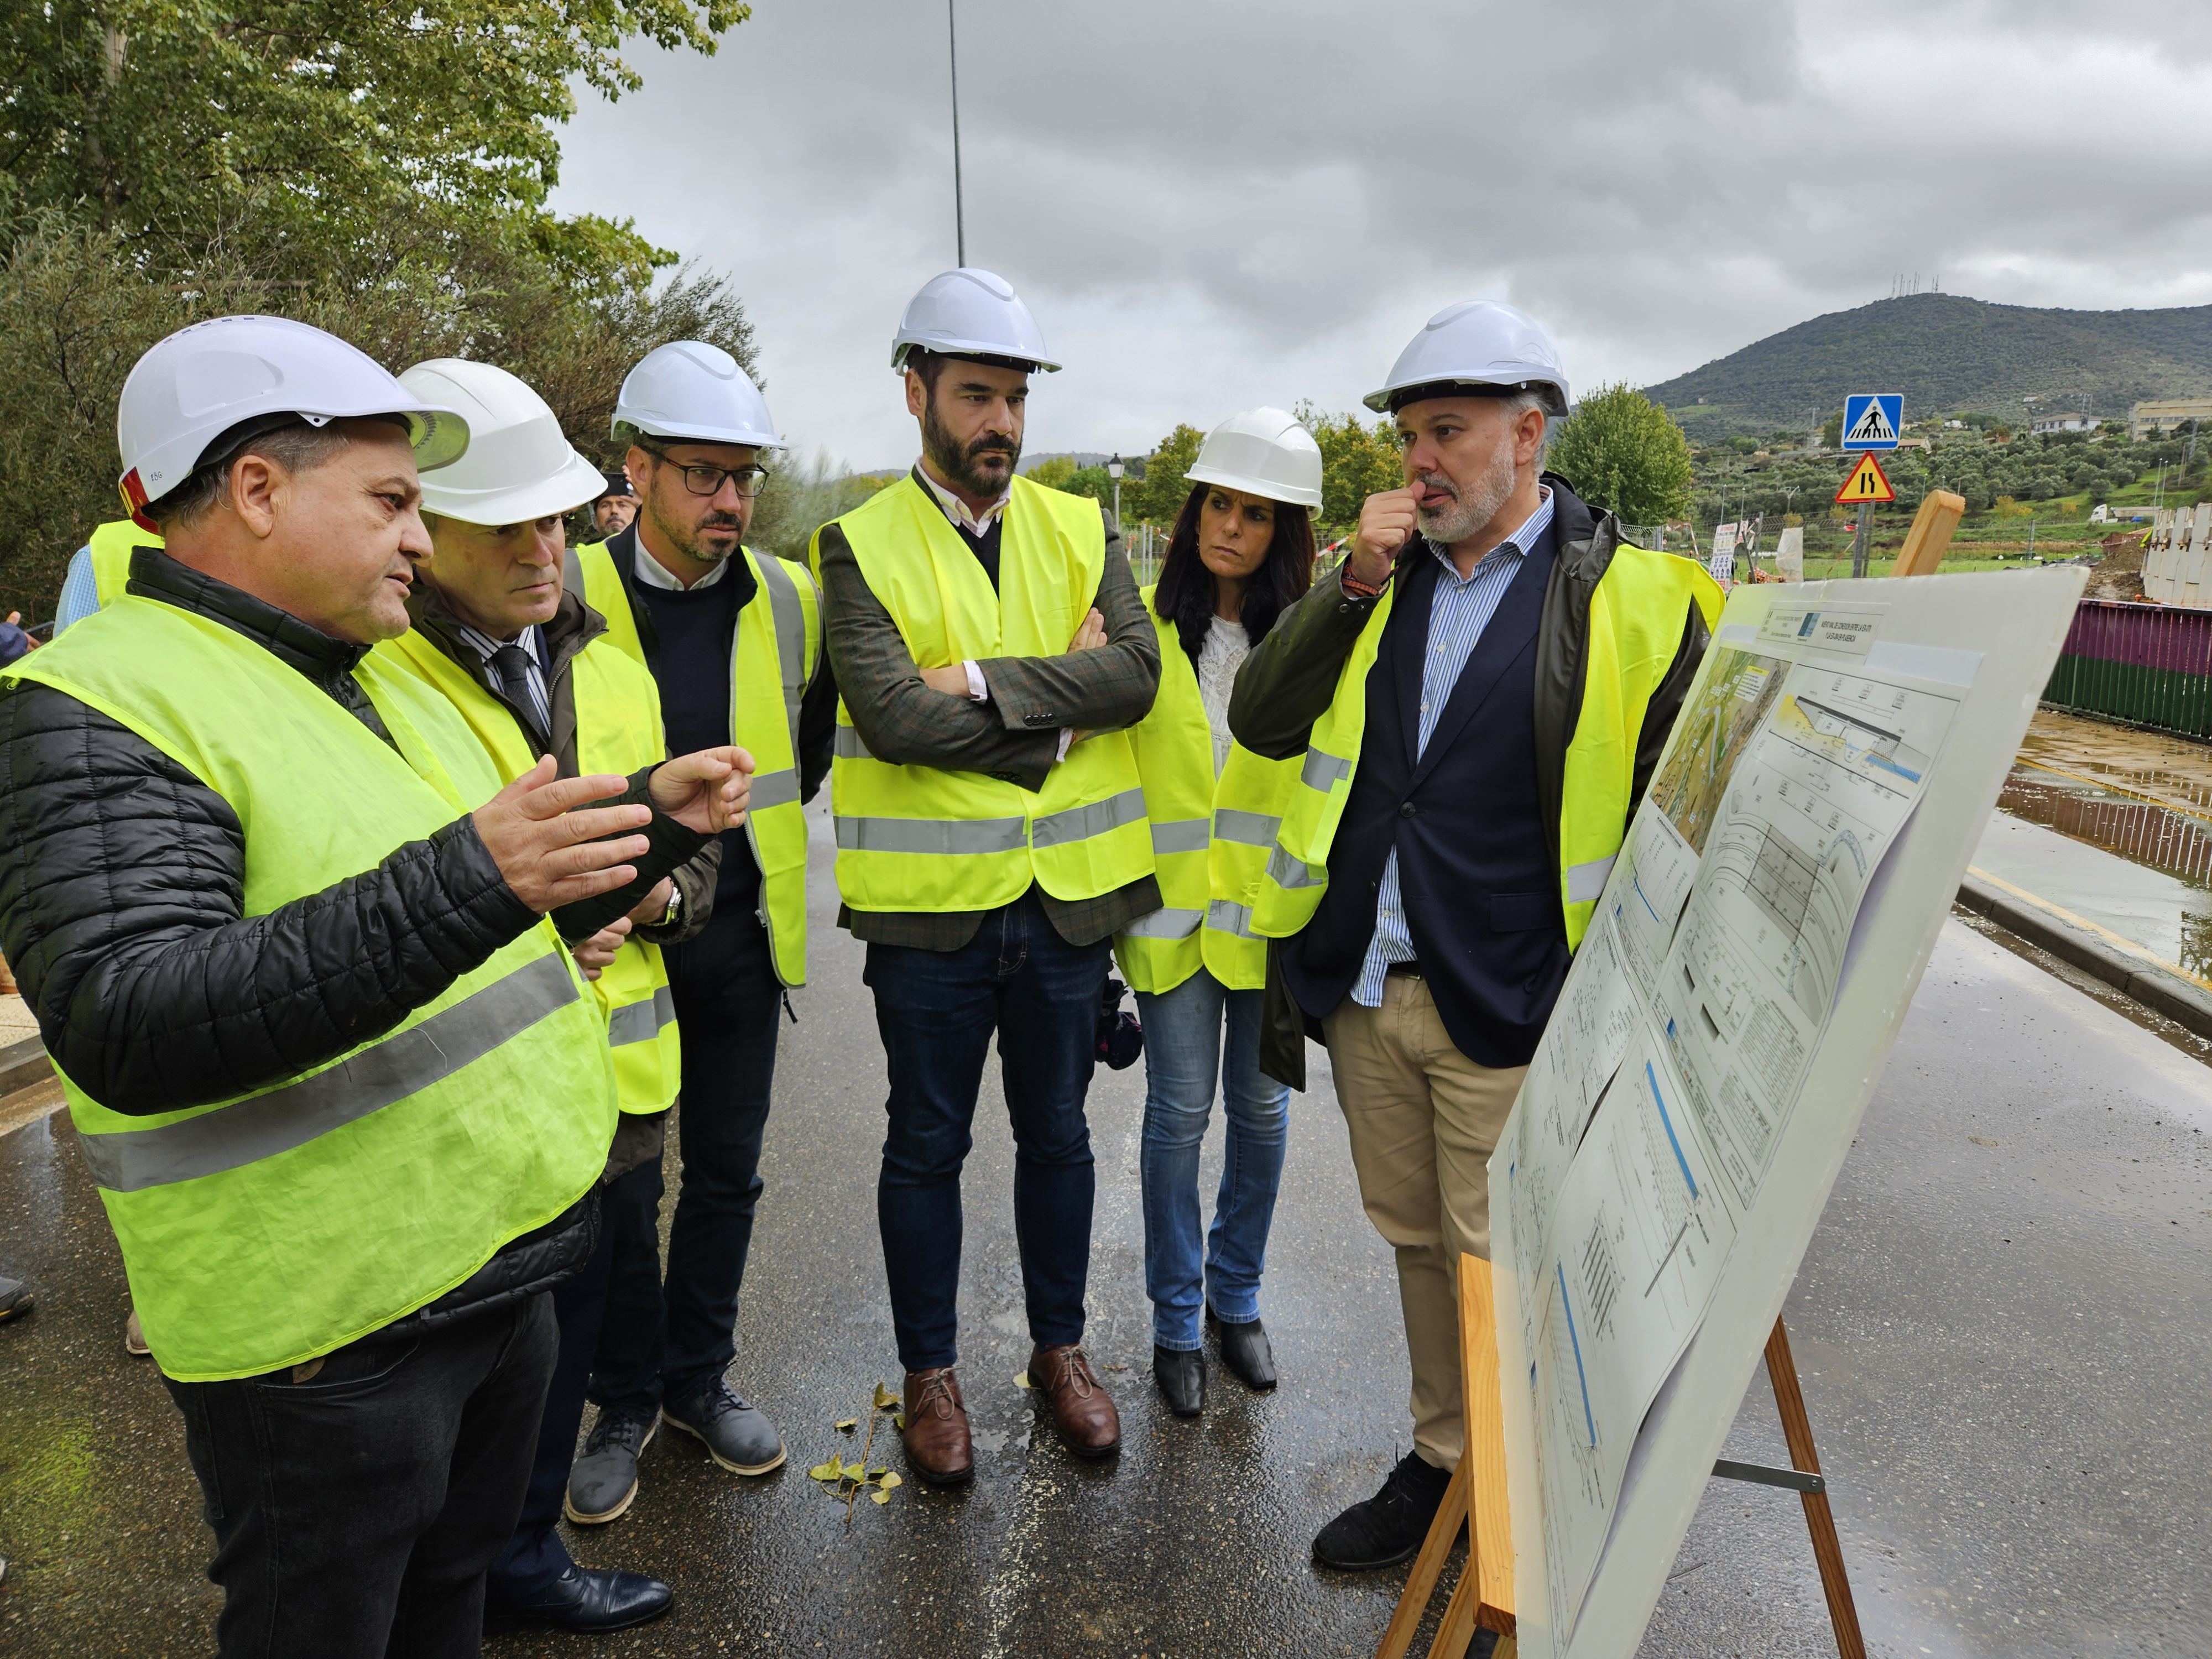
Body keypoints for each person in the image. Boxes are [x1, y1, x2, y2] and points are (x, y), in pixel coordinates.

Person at [0, 314, 750, 1658]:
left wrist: (659, 817)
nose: (421, 537)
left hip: (479, 1275)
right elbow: (129, 1013)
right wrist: (480, 872)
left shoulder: (354, 673)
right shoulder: (103, 699)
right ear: (256, 487)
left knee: (444, 1613)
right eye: (394, 502)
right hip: (328, 1334)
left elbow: (472, 898)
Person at [1229, 301, 1721, 1571]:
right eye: (1407, 439)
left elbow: (1686, 827)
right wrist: (1344, 581)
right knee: (1414, 1240)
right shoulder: (1374, 582)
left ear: (1526, 432)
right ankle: (1444, 1457)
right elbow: (1264, 719)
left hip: (1509, 1000)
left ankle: (1524, 1495)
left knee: (1505, 1258)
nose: (1419, 463)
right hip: (1363, 987)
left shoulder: (1632, 597)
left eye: (1445, 432)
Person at [377, 358, 716, 1635]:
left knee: (551, 1350)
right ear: (421, 529)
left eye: (558, 517)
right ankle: (464, 1575)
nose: (546, 546)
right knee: (459, 1373)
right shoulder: (379, 679)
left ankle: (519, 1557)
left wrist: (662, 897)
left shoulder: (600, 660)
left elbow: (694, 863)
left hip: (608, 1081)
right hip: (471, 1099)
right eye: (507, 522)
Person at [811, 267, 1161, 1484]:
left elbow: (1137, 674)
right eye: (975, 395)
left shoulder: (1079, 526)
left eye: (1014, 398)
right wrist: (1052, 717)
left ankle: (1058, 1355)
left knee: (1058, 1139)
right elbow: (896, 721)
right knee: (924, 1146)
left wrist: (973, 679)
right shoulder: (854, 545)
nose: (999, 423)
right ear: (915, 393)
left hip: (1064, 913)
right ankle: (929, 1376)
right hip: (928, 924)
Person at [559, 340, 831, 1525]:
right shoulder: (567, 594)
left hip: (737, 946)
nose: (729, 501)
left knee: (725, 1174)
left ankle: (696, 1384)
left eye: (743, 478)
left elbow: (803, 754)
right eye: (704, 476)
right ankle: (619, 1402)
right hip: (618, 956)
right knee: (621, 1194)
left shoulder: (786, 597)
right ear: (639, 470)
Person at [1113, 409, 1319, 1417]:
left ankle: (1237, 1303)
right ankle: (1175, 1323)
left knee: (1263, 1114)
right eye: (1219, 504)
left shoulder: (1314, 640)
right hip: (1169, 919)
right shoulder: (1140, 631)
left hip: (1267, 917)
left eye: (1256, 513)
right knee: (1178, 1117)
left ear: (1288, 534)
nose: (1229, 526)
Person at [588, 471, 638, 540]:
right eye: (605, 506)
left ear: (639, 516)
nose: (614, 511)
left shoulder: (657, 549)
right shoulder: (580, 551)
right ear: (596, 521)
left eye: (622, 505)